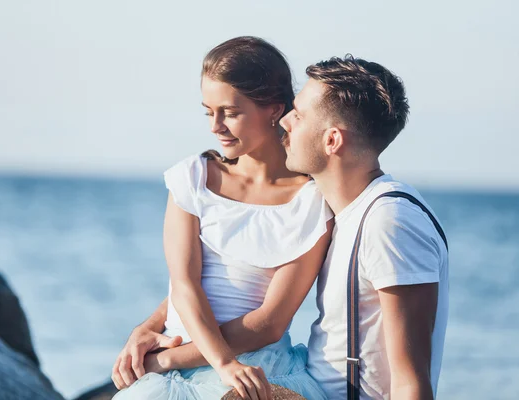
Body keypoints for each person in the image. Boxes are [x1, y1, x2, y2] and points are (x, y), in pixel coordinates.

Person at [111, 36, 333, 400]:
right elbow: (185, 285)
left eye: (230, 112)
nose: (216, 126)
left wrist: (170, 361)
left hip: (255, 366)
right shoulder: (194, 179)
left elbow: (269, 324)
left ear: (274, 109)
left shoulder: (310, 202)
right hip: (187, 363)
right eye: (208, 111)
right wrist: (157, 335)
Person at [279, 55, 449, 399]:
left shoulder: (391, 221)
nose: (285, 122)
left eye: (298, 115)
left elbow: (411, 381)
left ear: (332, 141)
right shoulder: (343, 211)